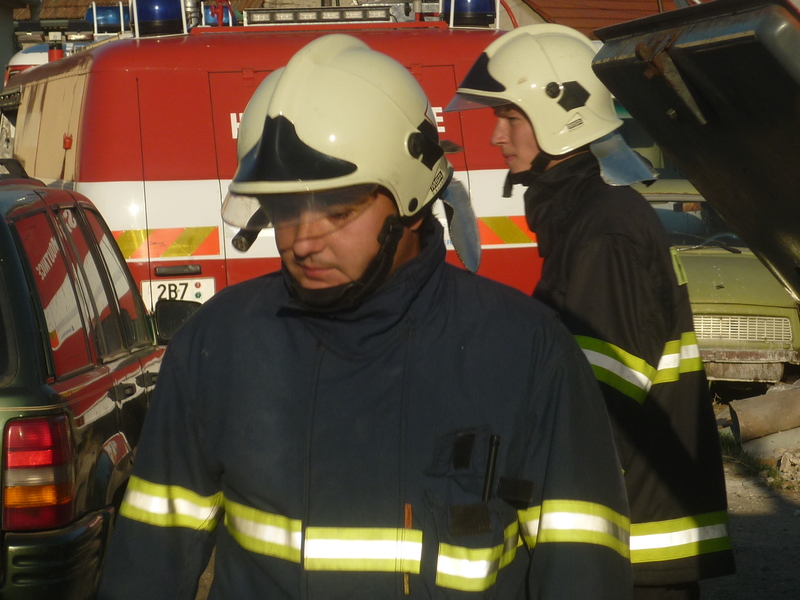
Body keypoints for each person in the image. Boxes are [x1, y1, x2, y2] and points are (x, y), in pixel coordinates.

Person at [97, 34, 632, 600]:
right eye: (284, 209)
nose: (302, 241)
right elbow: (147, 566)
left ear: (410, 199)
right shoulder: (218, 346)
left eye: (337, 209)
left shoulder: (524, 351)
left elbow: (583, 573)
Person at [446, 23, 735, 600]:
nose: (496, 136)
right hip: (619, 542)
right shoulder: (585, 217)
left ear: (561, 115)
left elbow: (587, 409)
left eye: (510, 116)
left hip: (629, 553)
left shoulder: (605, 231)